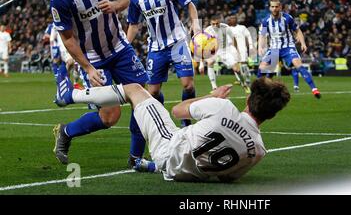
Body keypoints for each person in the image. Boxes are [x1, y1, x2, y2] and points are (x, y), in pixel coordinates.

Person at [54, 72, 290, 182]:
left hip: (168, 148)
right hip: (192, 176)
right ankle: (152, 165)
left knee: (135, 90)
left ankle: (70, 94)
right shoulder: (258, 150)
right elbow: (227, 178)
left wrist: (212, 96)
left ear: (249, 100)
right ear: (272, 115)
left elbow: (177, 111)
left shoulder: (224, 108)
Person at [50, 0, 149, 167]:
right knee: (110, 116)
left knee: (143, 96)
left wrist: (115, 5)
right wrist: (88, 67)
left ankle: (136, 158)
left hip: (119, 47)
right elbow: (68, 38)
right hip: (94, 58)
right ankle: (66, 132)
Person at [127, 0, 200, 127]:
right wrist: (124, 46)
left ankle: (185, 120)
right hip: (156, 47)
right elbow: (133, 25)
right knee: (152, 92)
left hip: (178, 42)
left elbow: (189, 4)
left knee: (188, 86)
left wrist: (195, 25)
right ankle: (163, 122)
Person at [258, 0, 321, 98]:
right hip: (274, 48)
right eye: (272, 7)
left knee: (298, 64)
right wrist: (260, 47)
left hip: (288, 47)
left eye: (276, 6)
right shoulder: (266, 21)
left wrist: (303, 43)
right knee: (262, 68)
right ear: (269, 8)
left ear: (280, 7)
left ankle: (314, 89)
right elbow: (262, 35)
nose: (274, 9)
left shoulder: (287, 18)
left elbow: (297, 30)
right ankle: (258, 92)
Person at [204, 15, 251, 94]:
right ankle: (214, 87)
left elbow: (233, 38)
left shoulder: (225, 27)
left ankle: (244, 84)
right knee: (210, 62)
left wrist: (235, 50)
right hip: (214, 51)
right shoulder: (207, 30)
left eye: (217, 23)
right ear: (210, 23)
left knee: (237, 69)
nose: (215, 25)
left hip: (225, 50)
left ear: (220, 22)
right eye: (213, 24)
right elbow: (203, 43)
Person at [227, 14, 255, 88]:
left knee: (243, 65)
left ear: (236, 19)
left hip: (242, 48)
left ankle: (248, 78)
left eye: (234, 18)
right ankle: (240, 80)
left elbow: (248, 35)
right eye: (231, 18)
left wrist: (251, 46)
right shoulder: (227, 29)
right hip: (232, 50)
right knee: (235, 65)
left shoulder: (242, 27)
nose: (232, 20)